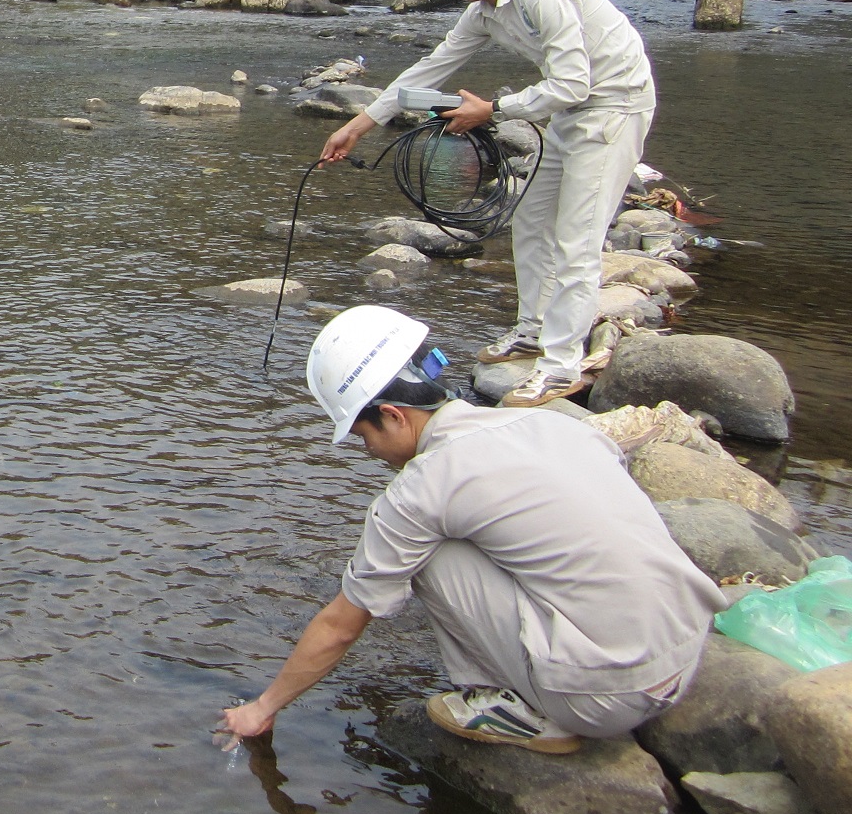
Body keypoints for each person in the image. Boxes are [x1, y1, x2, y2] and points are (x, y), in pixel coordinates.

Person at [218, 305, 719, 755]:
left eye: (362, 435)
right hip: (686, 652)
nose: (368, 452)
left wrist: (261, 708)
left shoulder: (422, 487)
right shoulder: (555, 426)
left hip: (606, 699)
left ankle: (509, 708)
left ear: (393, 415)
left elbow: (340, 625)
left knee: (425, 553)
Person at [319, 0, 657, 408]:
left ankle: (561, 365)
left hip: (614, 108)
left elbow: (571, 82)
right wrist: (360, 124)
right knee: (531, 221)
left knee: (576, 242)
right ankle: (533, 330)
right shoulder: (484, 13)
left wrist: (493, 110)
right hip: (570, 113)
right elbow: (429, 69)